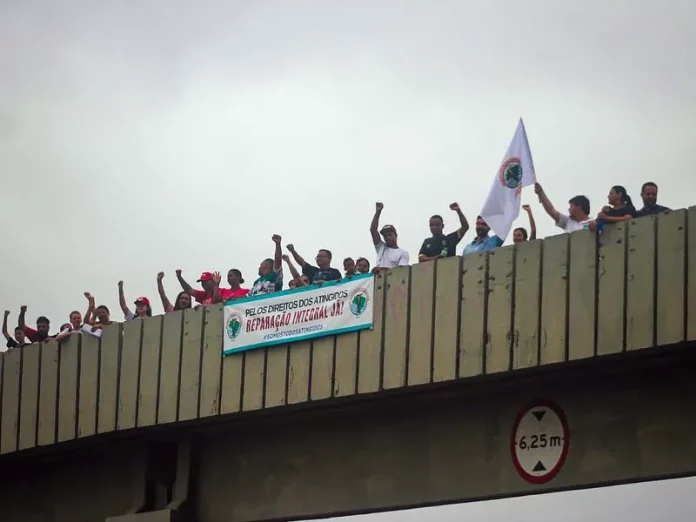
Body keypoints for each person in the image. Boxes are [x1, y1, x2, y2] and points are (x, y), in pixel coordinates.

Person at [370, 202, 410, 271]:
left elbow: (401, 271)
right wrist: (378, 212)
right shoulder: (381, 247)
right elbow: (373, 230)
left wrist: (381, 269)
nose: (387, 238)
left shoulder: (403, 253)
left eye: (390, 235)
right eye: (385, 236)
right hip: (378, 280)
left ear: (396, 235)